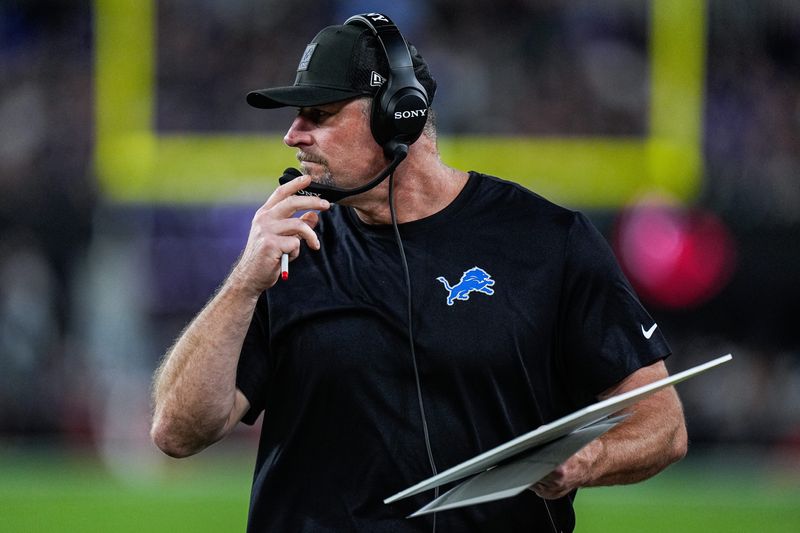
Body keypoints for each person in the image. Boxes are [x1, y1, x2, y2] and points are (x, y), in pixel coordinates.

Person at [151, 13, 687, 533]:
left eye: (318, 114)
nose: (293, 136)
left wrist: (586, 460)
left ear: (397, 115)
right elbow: (178, 431)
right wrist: (244, 281)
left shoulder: (547, 240)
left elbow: (662, 424)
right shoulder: (290, 250)